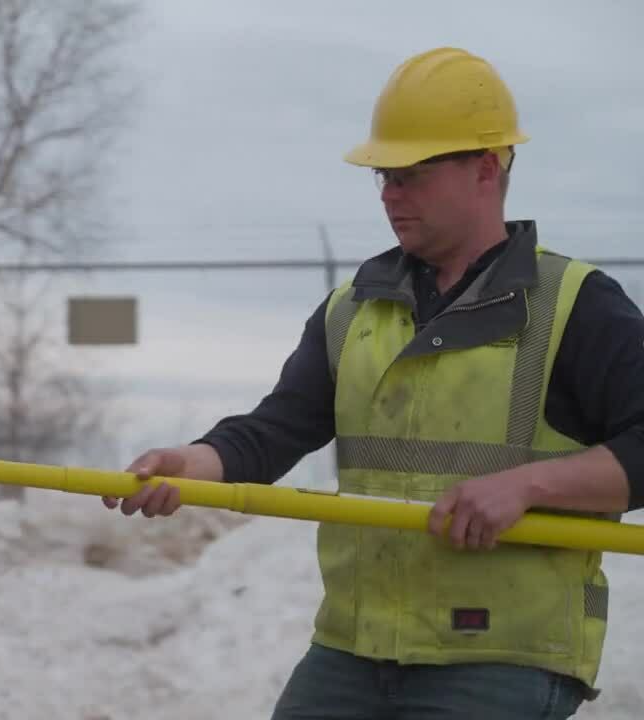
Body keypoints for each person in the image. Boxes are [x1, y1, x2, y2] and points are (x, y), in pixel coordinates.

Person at [104, 47, 644, 719]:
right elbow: (276, 430)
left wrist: (530, 486)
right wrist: (192, 462)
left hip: (501, 657)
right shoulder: (353, 309)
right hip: (354, 650)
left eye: (411, 175)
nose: (390, 193)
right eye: (384, 176)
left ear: (485, 169)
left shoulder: (576, 306)